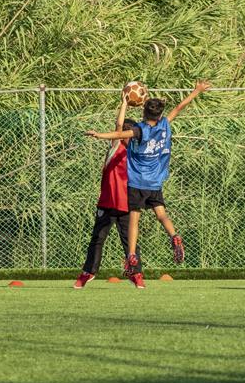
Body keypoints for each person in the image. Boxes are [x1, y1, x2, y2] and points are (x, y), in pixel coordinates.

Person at [85, 80, 210, 281]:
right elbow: (179, 107)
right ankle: (174, 236)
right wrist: (197, 90)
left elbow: (118, 132)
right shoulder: (165, 125)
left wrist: (98, 135)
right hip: (156, 183)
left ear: (143, 112)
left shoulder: (139, 131)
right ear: (160, 115)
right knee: (162, 215)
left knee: (134, 220)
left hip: (138, 183)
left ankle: (131, 256)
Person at [74, 94, 143, 289]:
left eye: (131, 133)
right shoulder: (116, 146)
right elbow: (118, 127)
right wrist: (124, 104)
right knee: (97, 239)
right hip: (107, 203)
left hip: (127, 204)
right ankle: (88, 273)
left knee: (130, 242)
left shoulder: (137, 154)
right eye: (125, 132)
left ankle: (135, 274)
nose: (126, 135)